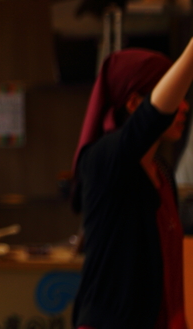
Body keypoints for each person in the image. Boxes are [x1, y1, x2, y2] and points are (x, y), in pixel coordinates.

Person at [71, 46, 193, 329]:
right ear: (134, 103)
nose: (184, 105)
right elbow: (152, 118)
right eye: (176, 96)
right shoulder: (103, 160)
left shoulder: (161, 171)